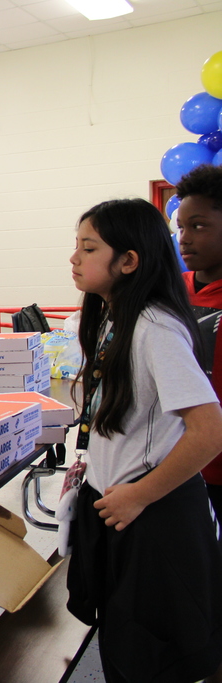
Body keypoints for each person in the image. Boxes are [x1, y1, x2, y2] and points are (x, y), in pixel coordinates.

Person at [65, 198, 222, 683]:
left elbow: (209, 430)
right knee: (123, 643)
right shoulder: (113, 316)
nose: (74, 259)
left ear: (129, 261)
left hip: (153, 516)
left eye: (88, 248)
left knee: (154, 654)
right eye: (76, 246)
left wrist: (138, 494)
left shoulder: (155, 327)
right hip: (120, 507)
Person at [176, 164, 222, 521]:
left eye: (199, 226)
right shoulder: (172, 290)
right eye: (181, 227)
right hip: (179, 464)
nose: (185, 238)